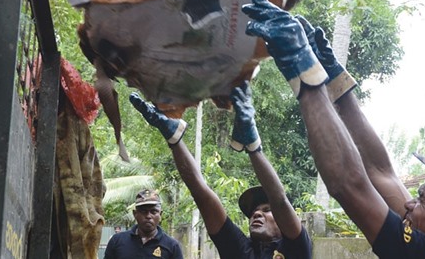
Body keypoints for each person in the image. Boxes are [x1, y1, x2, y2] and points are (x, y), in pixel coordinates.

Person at [242, 0, 425, 258]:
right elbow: (381, 173)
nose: (408, 202)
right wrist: (337, 83)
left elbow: (348, 184)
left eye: (421, 199)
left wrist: (300, 66)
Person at [129, 81, 312, 259]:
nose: (256, 214)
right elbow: (201, 193)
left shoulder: (296, 249)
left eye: (266, 210)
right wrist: (173, 139)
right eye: (255, 211)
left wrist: (253, 147)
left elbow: (279, 199)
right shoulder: (241, 250)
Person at [104, 189, 184, 259]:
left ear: (160, 214)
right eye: (143, 211)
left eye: (153, 211)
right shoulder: (117, 241)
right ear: (135, 214)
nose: (148, 216)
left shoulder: (172, 246)